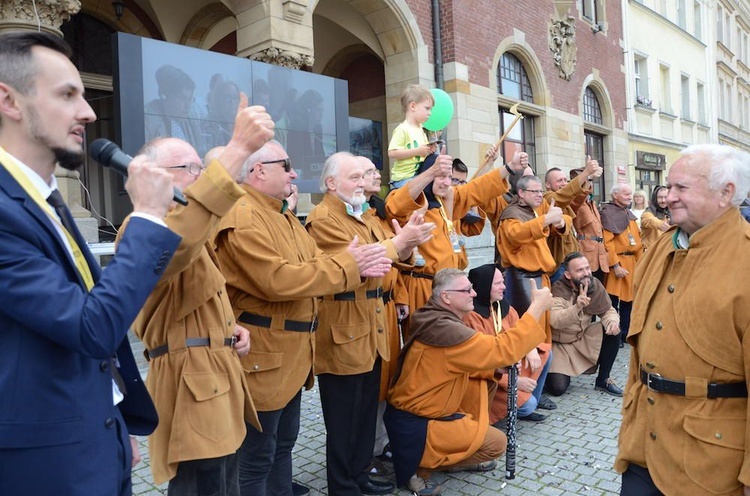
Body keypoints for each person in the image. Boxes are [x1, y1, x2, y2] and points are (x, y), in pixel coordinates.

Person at [0, 31, 181, 495]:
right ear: (9, 101)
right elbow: (91, 326)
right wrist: (145, 216)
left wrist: (113, 418)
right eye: (67, 95)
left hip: (94, 438)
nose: (90, 112)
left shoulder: (43, 199)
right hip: (45, 466)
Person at [213, 143, 393, 496]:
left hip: (291, 354)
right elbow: (279, 280)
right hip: (265, 356)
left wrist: (343, 264)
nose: (295, 174)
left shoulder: (281, 216)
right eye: (287, 165)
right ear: (259, 170)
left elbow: (310, 266)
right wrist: (349, 264)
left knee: (281, 450)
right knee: (256, 461)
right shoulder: (245, 215)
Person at [126, 94, 275, 493]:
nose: (199, 175)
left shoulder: (194, 230)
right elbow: (176, 244)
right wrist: (238, 148)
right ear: (149, 176)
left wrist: (231, 328)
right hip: (191, 387)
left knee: (225, 484)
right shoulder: (139, 228)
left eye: (200, 166)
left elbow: (195, 297)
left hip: (214, 375)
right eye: (188, 167)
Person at [615, 144, 750, 495]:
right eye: (668, 187)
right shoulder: (662, 247)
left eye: (681, 188)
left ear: (727, 193)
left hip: (710, 461)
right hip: (644, 444)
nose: (668, 197)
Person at [305, 152, 435, 496]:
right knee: (344, 419)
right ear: (332, 183)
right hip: (344, 328)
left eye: (364, 177)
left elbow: (392, 256)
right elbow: (361, 260)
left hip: (373, 326)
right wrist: (398, 243)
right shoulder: (323, 219)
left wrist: (406, 245)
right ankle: (343, 486)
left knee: (363, 416)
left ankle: (360, 474)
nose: (362, 184)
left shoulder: (363, 214)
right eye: (354, 178)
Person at [385, 269, 552, 495]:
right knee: (495, 444)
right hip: (417, 422)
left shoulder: (436, 319)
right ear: (446, 297)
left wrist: (494, 368)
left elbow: (463, 362)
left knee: (486, 385)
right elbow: (503, 349)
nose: (474, 293)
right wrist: (537, 308)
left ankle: (446, 457)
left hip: (431, 411)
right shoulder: (445, 329)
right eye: (466, 290)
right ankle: (419, 466)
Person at [386, 148, 527, 332]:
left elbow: (475, 189)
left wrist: (508, 168)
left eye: (449, 177)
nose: (447, 183)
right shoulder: (413, 203)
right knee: (427, 343)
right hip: (422, 288)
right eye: (441, 177)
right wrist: (431, 172)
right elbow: (395, 206)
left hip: (449, 288)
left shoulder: (444, 201)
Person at [464, 264, 555, 424]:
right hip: (493, 377)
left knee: (545, 353)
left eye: (503, 281)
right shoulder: (471, 316)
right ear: (484, 286)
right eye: (498, 283)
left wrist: (531, 347)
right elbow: (480, 364)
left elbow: (520, 329)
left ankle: (531, 397)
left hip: (511, 364)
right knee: (528, 406)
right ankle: (524, 404)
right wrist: (514, 381)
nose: (504, 287)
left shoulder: (502, 305)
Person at [496, 174, 570, 342]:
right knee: (529, 329)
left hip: (540, 277)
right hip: (523, 279)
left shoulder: (536, 209)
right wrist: (546, 220)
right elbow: (517, 234)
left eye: (540, 191)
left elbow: (564, 216)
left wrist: (560, 222)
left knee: (542, 330)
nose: (539, 195)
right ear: (521, 193)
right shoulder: (511, 214)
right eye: (534, 191)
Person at [546, 252, 622, 396]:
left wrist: (612, 322)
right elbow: (555, 321)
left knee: (614, 331)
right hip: (560, 344)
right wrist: (577, 307)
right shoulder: (558, 289)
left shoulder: (594, 285)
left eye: (587, 268)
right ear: (568, 275)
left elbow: (608, 311)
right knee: (558, 389)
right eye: (580, 270)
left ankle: (603, 380)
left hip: (581, 339)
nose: (586, 273)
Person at [600, 184, 643, 348]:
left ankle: (626, 333)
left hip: (632, 263)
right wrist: (615, 265)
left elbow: (638, 243)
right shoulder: (608, 213)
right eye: (626, 194)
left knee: (629, 303)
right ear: (615, 195)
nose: (629, 196)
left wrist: (642, 265)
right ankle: (614, 335)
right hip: (617, 264)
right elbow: (608, 244)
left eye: (630, 194)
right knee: (613, 302)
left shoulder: (629, 214)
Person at [543, 157, 603, 274]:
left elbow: (576, 198)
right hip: (558, 263)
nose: (564, 183)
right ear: (547, 184)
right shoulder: (547, 197)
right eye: (559, 180)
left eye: (565, 180)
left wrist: (589, 178)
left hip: (569, 260)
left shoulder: (566, 200)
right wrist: (586, 173)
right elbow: (565, 194)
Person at [387, 84, 437, 188]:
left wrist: (428, 150)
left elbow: (421, 154)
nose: (430, 113)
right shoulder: (402, 129)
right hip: (403, 179)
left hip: (418, 175)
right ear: (413, 106)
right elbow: (392, 153)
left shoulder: (421, 130)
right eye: (427, 108)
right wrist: (417, 151)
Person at [569, 168, 609, 282]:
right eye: (585, 181)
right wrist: (588, 177)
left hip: (600, 255)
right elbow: (578, 197)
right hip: (586, 252)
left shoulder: (591, 203)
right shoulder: (575, 201)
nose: (589, 185)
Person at [451, 158, 488, 270]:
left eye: (463, 182)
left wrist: (472, 201)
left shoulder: (459, 204)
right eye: (455, 181)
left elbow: (473, 229)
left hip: (457, 264)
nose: (460, 186)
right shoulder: (435, 204)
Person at [638, 185, 670, 251]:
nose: (663, 200)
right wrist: (661, 225)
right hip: (651, 253)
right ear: (655, 198)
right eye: (660, 197)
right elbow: (648, 220)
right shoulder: (648, 213)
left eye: (666, 197)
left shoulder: (671, 212)